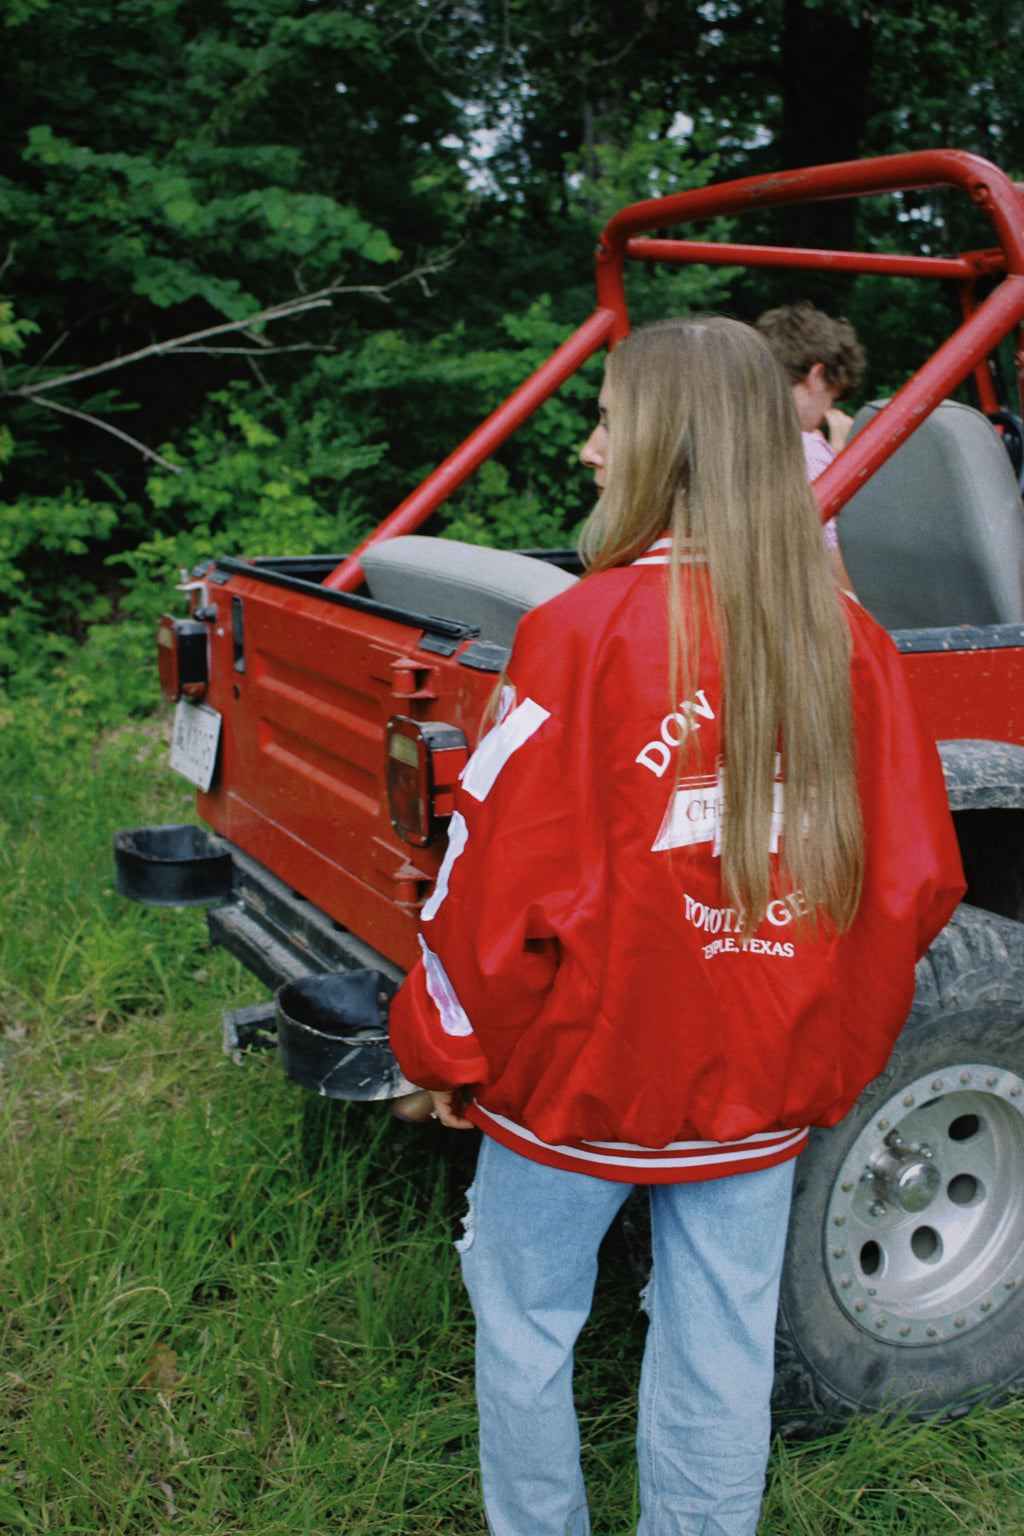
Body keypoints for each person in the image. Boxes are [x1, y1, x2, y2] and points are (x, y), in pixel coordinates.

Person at [388, 316, 964, 1536]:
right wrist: (821, 1041)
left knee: (527, 1318)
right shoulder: (846, 640)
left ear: (667, 443)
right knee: (721, 1339)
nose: (592, 450)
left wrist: (444, 1049)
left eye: (608, 420)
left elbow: (489, 883)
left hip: (575, 1085)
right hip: (761, 1082)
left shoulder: (578, 634)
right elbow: (912, 885)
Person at [756, 300, 865, 592]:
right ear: (816, 377)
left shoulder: (739, 437)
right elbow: (837, 570)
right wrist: (841, 462)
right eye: (832, 396)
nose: (828, 412)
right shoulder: (809, 450)